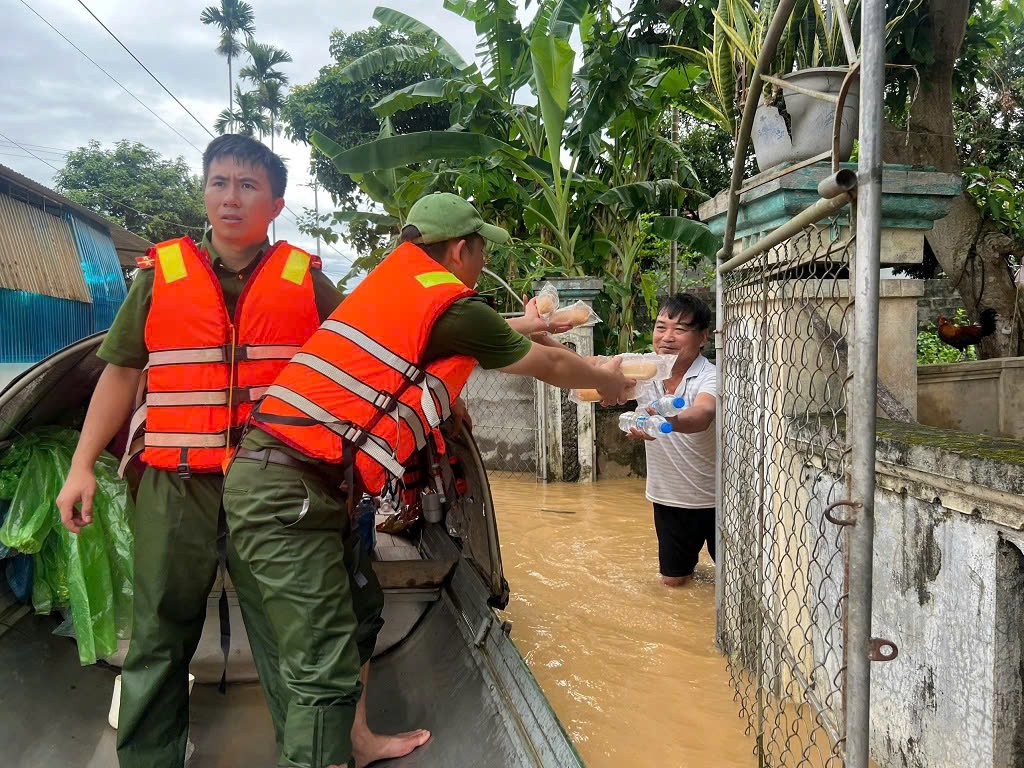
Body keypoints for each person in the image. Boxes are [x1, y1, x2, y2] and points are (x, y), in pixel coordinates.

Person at [222, 192, 635, 768]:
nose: (479, 265)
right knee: (321, 663)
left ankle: (357, 742)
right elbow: (554, 365)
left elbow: (454, 344)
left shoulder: (393, 289)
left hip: (308, 484)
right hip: (287, 489)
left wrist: (529, 330)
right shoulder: (449, 303)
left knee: (360, 615)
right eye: (479, 251)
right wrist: (607, 380)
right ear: (461, 249)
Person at [53, 134, 410, 768]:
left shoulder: (306, 279)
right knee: (159, 635)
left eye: (248, 186)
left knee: (288, 635)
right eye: (219, 183)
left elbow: (371, 348)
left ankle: (307, 757)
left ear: (275, 204)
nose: (231, 198)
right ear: (204, 192)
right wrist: (82, 467)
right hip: (176, 483)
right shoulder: (160, 276)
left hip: (276, 486)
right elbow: (119, 372)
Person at [626, 293, 717, 587]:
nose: (667, 337)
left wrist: (668, 421)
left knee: (734, 586)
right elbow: (589, 369)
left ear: (702, 337)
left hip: (719, 501)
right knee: (674, 584)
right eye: (661, 327)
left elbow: (702, 414)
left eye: (679, 329)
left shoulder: (711, 376)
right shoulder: (642, 370)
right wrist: (542, 336)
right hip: (669, 499)